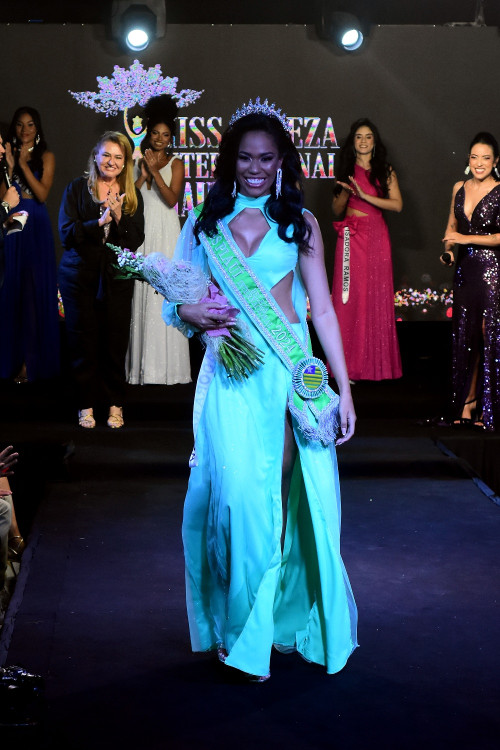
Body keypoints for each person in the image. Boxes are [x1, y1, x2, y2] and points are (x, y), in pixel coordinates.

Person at [164, 99, 358, 681]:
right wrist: (189, 311)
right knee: (231, 500)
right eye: (245, 158)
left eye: (266, 158)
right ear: (230, 161)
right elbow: (180, 302)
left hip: (286, 374)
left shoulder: (300, 224)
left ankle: (263, 625)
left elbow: (320, 307)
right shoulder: (205, 223)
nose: (254, 168)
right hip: (229, 375)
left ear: (281, 162)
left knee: (271, 499)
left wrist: (343, 389)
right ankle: (235, 619)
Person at [58, 131, 144, 429]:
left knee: (114, 344)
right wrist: (98, 222)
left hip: (116, 281)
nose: (112, 161)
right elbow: (67, 234)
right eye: (106, 155)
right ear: (95, 156)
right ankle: (85, 406)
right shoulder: (76, 189)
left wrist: (119, 216)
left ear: (126, 163)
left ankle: (115, 406)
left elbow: (135, 240)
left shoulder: (132, 194)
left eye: (118, 157)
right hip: (79, 278)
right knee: (83, 343)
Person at [331, 118, 403, 381]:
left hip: (376, 237)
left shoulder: (385, 170)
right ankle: (345, 367)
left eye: (368, 136)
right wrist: (346, 193)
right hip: (351, 235)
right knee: (348, 298)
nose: (363, 141)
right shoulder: (346, 170)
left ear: (375, 142)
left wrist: (364, 195)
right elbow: (336, 210)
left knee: (374, 297)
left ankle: (376, 366)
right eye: (359, 137)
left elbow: (397, 205)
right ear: (353, 142)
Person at [127, 95, 191, 385]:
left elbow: (171, 200)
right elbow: (132, 198)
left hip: (166, 231)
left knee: (165, 294)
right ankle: (141, 371)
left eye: (166, 135)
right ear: (148, 133)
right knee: (142, 294)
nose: (160, 139)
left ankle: (169, 372)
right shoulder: (138, 159)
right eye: (155, 133)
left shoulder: (176, 164)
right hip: (143, 230)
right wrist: (142, 174)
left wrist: (155, 171)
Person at [442, 132, 500, 431]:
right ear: (468, 159)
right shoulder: (459, 188)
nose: (479, 163)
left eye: (486, 158)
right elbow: (451, 229)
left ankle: (484, 407)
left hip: (491, 273)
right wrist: (449, 252)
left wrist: (464, 239)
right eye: (475, 157)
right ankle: (466, 402)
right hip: (464, 271)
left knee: (486, 337)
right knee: (465, 339)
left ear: (495, 161)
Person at [0, 107, 60, 382]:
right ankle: (12, 361)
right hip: (14, 221)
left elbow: (42, 193)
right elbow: (4, 197)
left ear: (38, 129)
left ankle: (32, 364)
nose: (25, 131)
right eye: (20, 125)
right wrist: (10, 167)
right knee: (14, 290)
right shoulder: (5, 157)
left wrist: (23, 164)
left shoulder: (46, 156)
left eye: (31, 125)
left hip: (35, 223)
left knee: (34, 294)